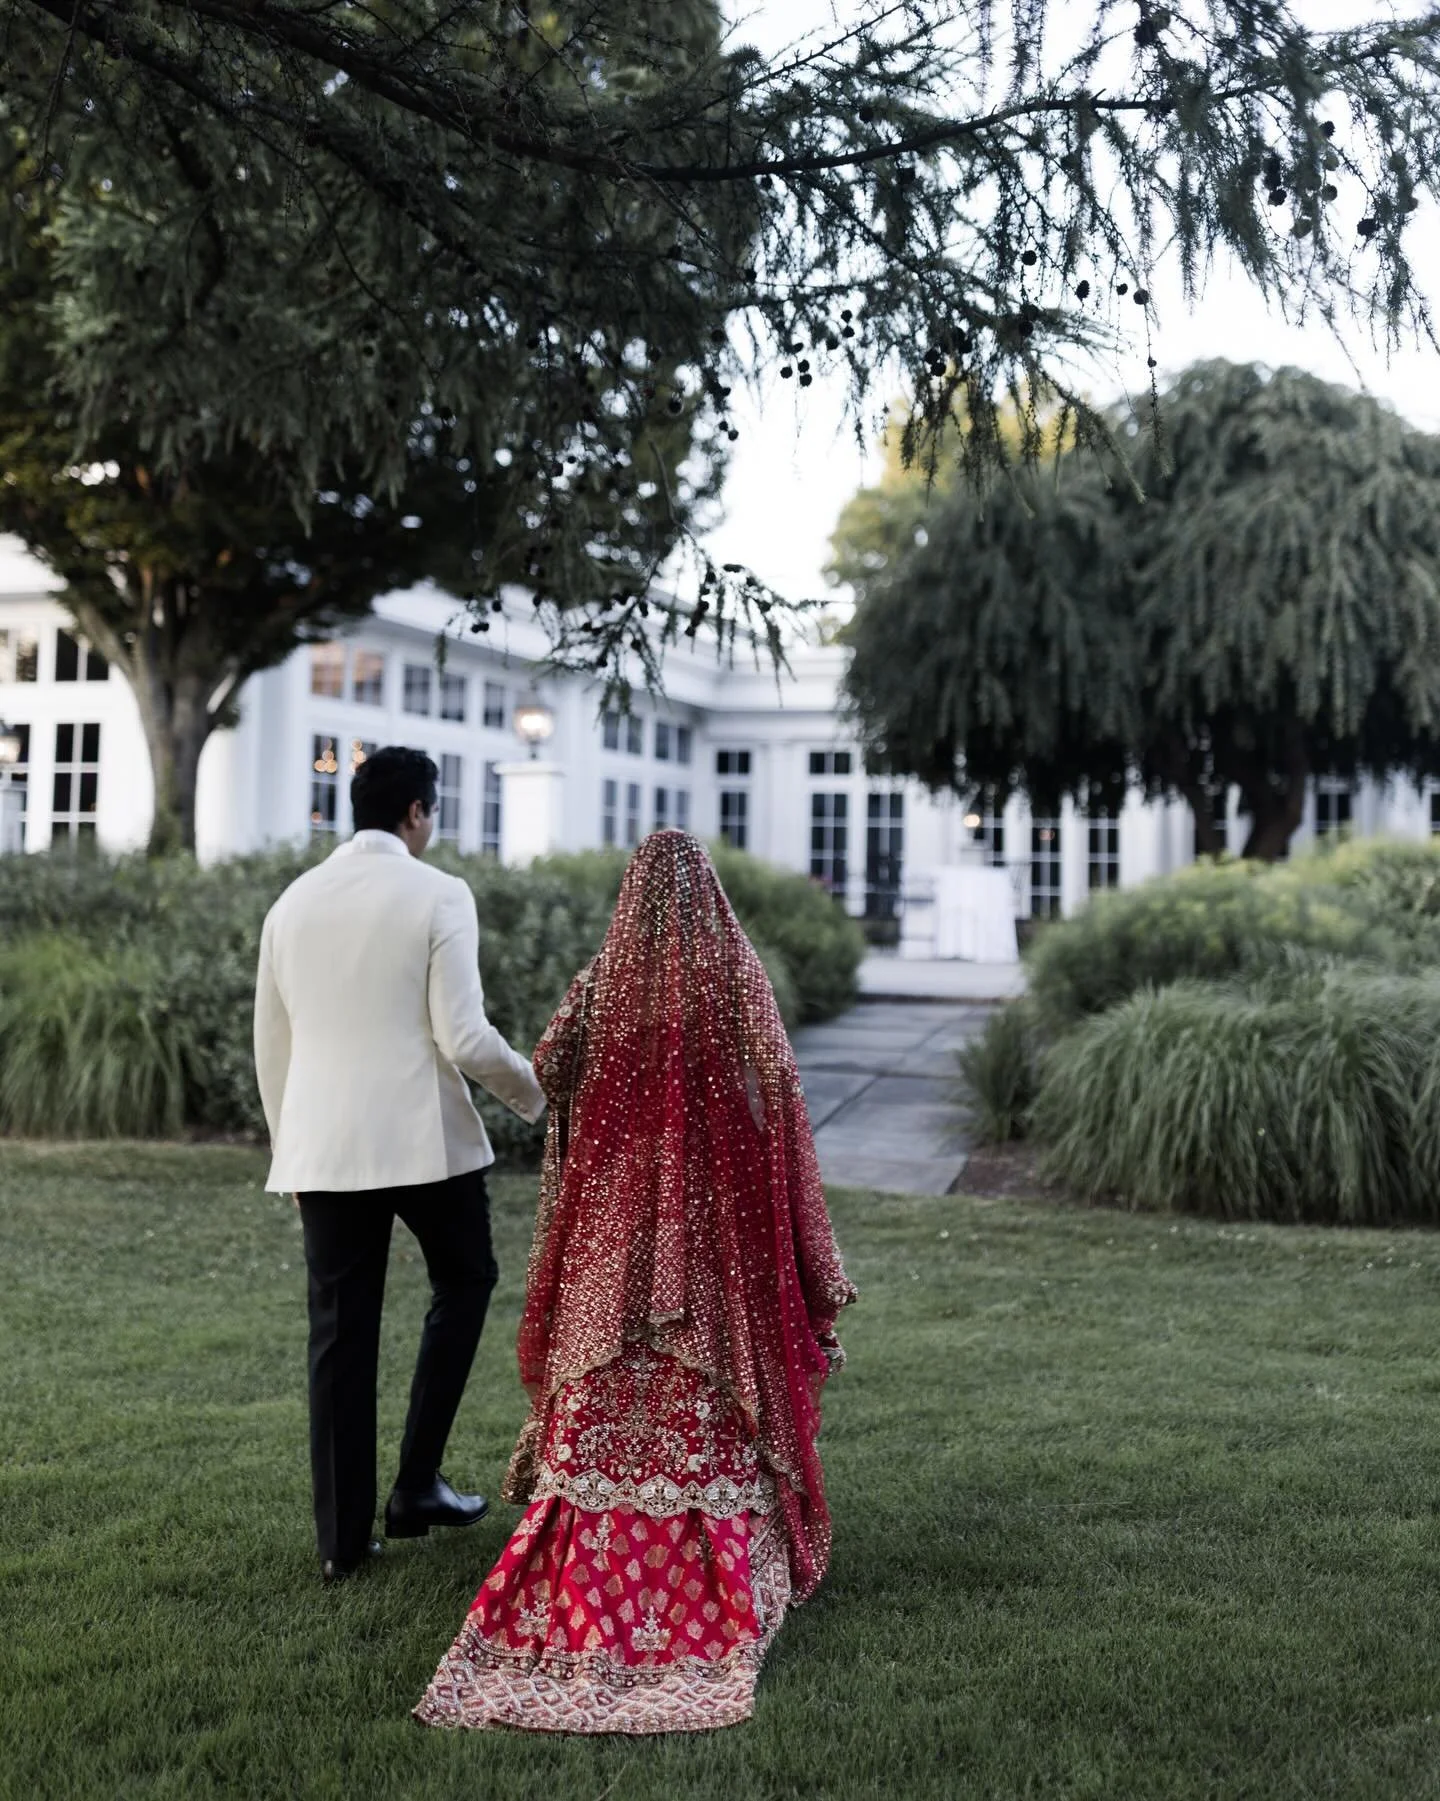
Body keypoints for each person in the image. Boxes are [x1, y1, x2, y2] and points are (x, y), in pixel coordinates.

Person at [415, 830, 855, 1734]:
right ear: (710, 895)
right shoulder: (736, 982)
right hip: (710, 1232)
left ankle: (580, 1560)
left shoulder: (603, 986)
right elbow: (781, 1092)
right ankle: (716, 1568)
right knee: (713, 1380)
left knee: (602, 1379)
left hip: (614, 1233)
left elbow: (546, 1072)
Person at [253, 745, 546, 1584]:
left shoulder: (293, 902)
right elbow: (462, 1036)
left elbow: (273, 1044)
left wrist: (290, 1149)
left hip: (324, 1146)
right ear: (417, 811)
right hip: (423, 1143)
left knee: (340, 1335)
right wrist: (540, 1095)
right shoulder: (439, 892)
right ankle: (416, 1483)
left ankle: (343, 1544)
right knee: (466, 1279)